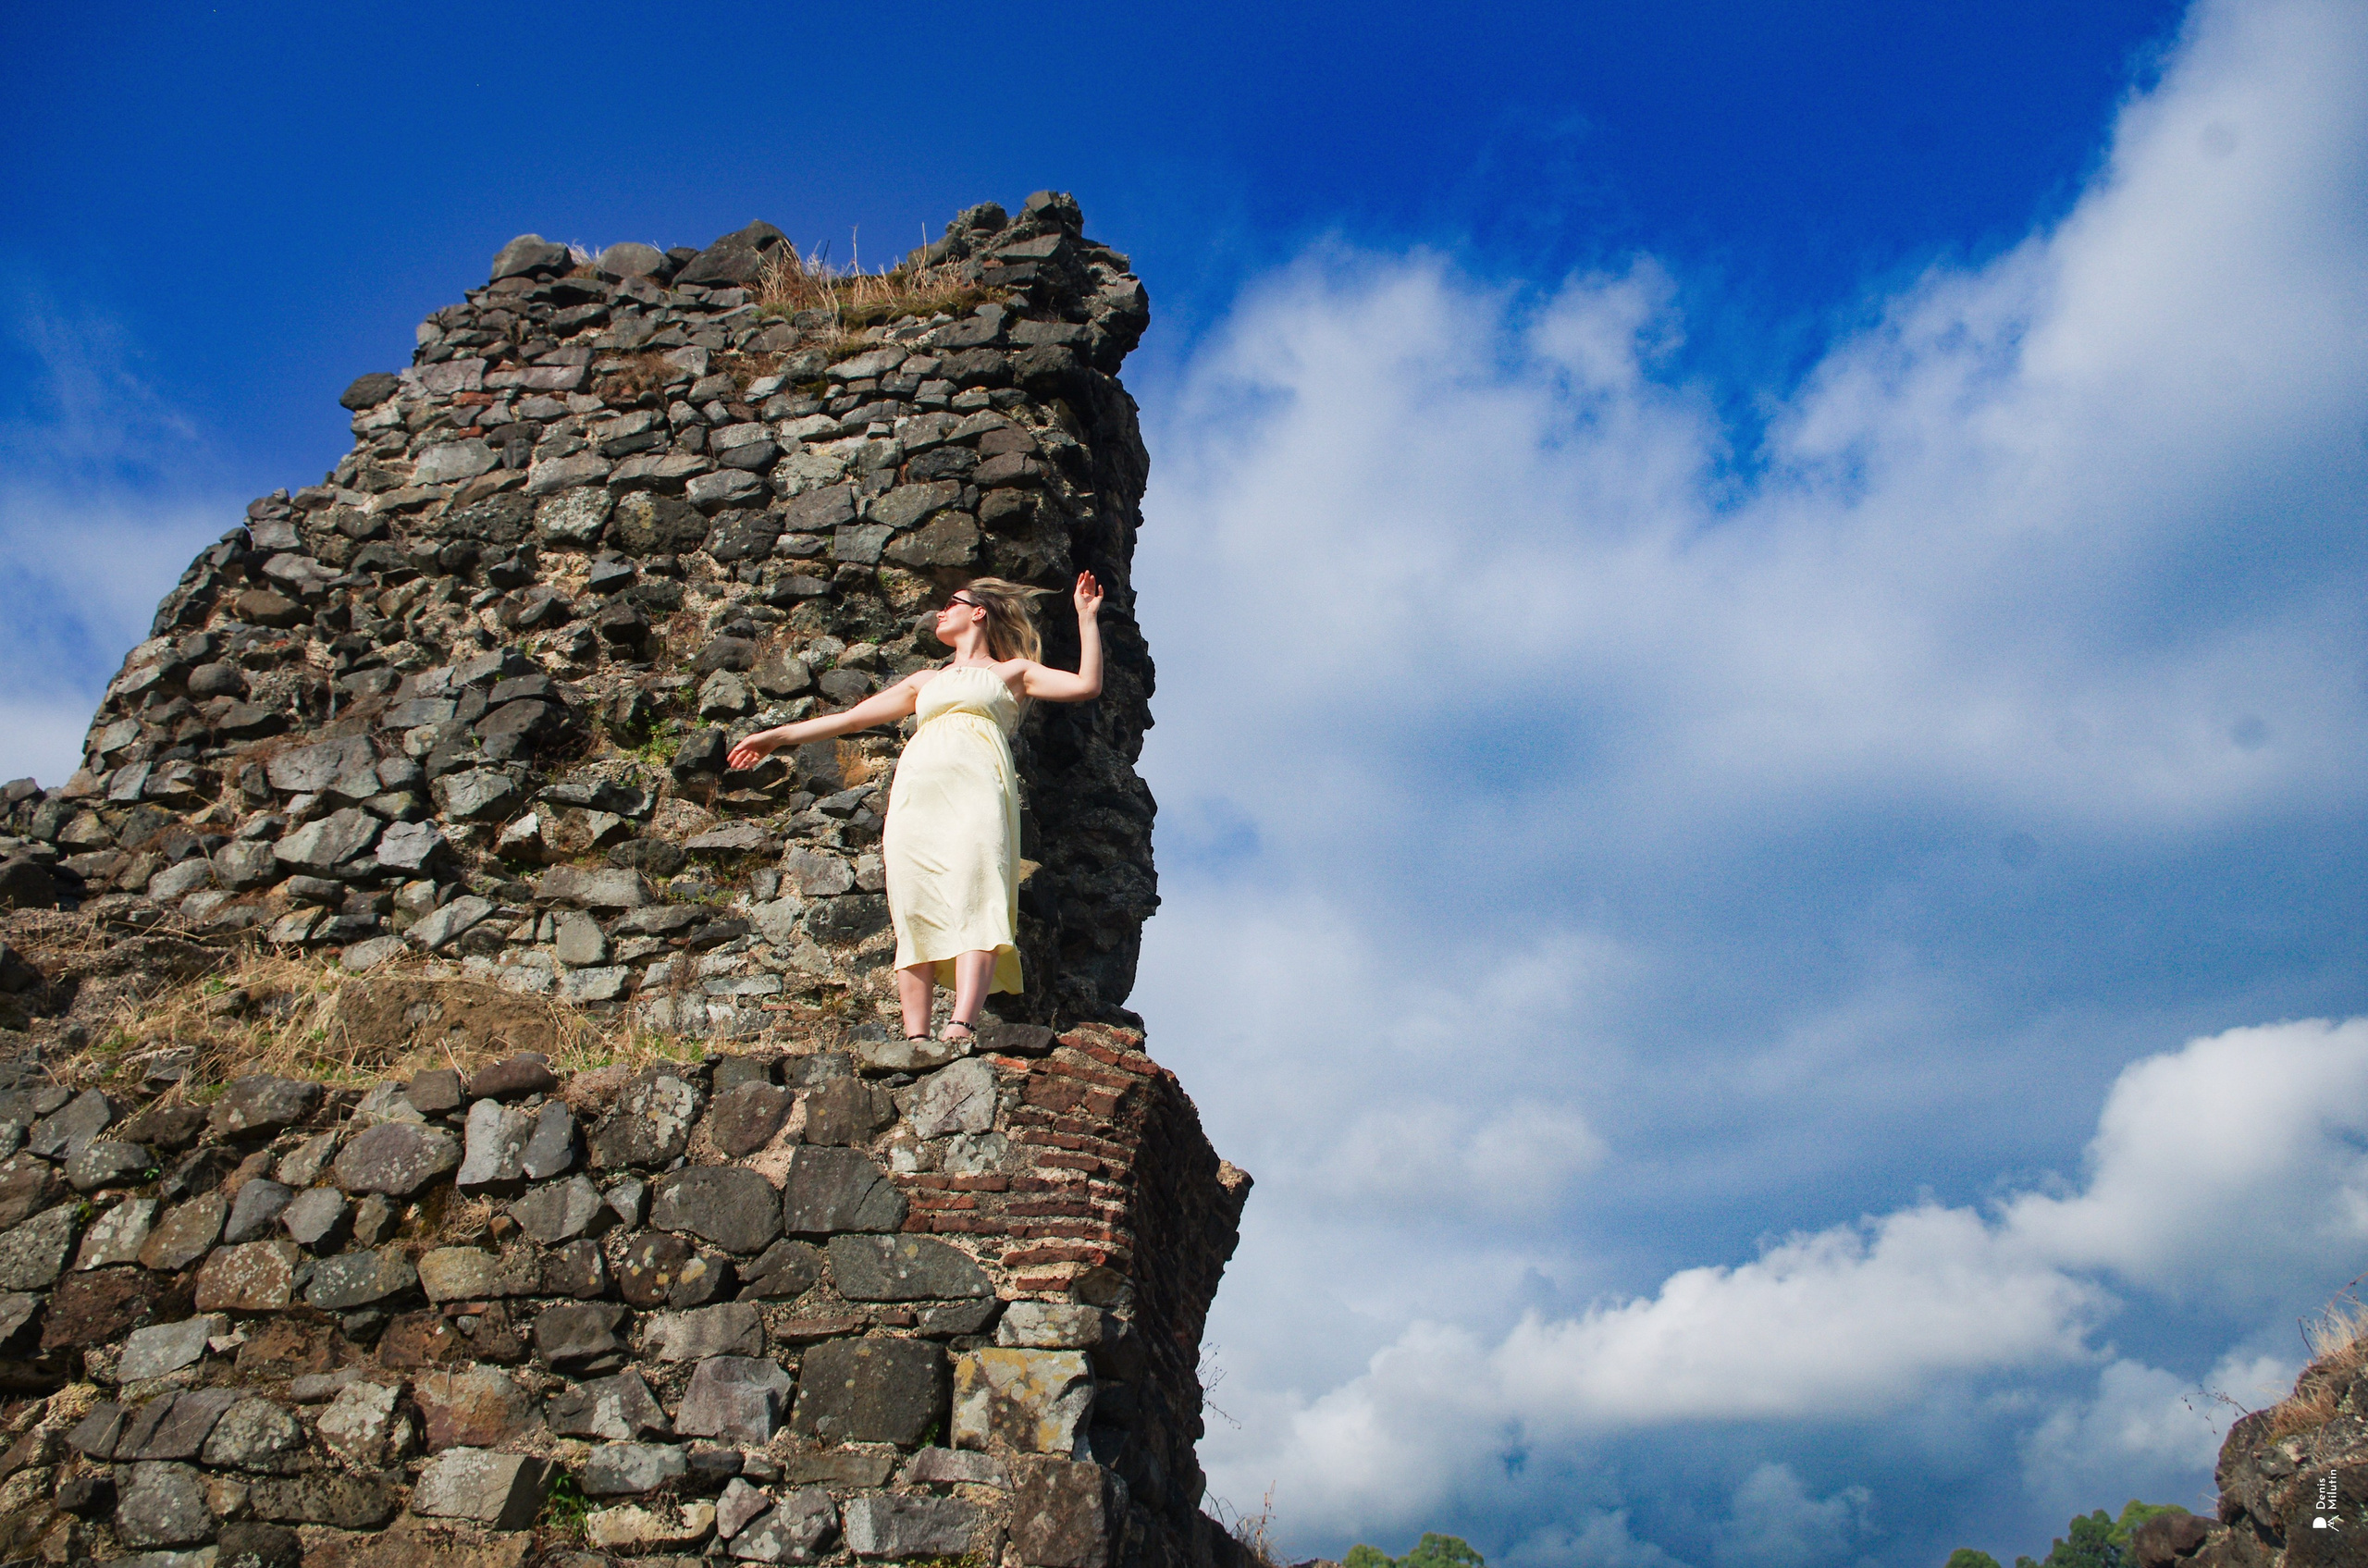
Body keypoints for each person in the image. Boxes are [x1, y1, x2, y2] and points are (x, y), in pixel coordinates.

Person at [725, 572, 1105, 1043]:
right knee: (914, 899)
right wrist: (775, 737)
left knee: (979, 888)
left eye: (952, 602)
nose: (940, 612)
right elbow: (849, 719)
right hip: (918, 792)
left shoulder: (1012, 673)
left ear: (979, 611)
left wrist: (1087, 619)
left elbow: (1086, 685)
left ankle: (961, 1023)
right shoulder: (925, 680)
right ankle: (915, 1037)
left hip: (978, 787)